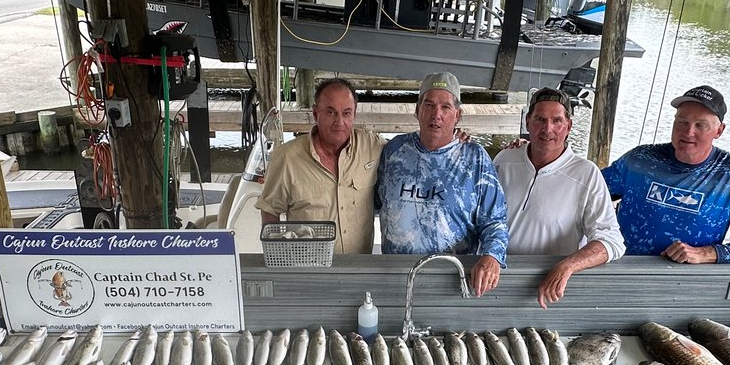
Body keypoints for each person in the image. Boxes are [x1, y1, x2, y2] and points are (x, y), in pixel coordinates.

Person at [602, 84, 730, 263]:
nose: (688, 132)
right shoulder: (639, 160)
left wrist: (706, 253)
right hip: (621, 270)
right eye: (682, 122)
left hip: (685, 280)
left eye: (700, 125)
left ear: (719, 130)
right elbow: (587, 191)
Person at [376, 72, 508, 295]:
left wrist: (492, 256)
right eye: (429, 105)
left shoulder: (475, 158)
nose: (436, 114)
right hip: (395, 278)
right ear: (417, 111)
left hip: (453, 280)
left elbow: (495, 220)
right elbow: (376, 201)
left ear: (458, 115)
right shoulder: (394, 150)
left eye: (446, 107)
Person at [495, 88, 625, 307]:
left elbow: (612, 241)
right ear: (528, 122)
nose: (548, 129)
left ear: (569, 126)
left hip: (548, 285)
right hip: (496, 275)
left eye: (557, 120)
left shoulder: (587, 174)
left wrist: (567, 266)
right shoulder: (504, 160)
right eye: (540, 119)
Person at [258, 77, 383, 254]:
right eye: (331, 113)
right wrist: (278, 257)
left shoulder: (372, 146)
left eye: (346, 113)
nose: (339, 122)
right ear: (316, 113)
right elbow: (270, 211)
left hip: (358, 268)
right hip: (306, 269)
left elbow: (409, 153)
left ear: (354, 114)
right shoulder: (286, 157)